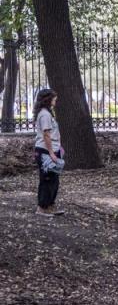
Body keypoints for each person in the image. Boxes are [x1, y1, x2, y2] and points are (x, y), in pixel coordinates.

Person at [33, 88, 64, 217]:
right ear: (48, 99)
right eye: (54, 98)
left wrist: (59, 148)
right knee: (47, 179)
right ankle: (42, 207)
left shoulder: (48, 113)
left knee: (53, 179)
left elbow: (53, 133)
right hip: (45, 151)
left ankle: (50, 205)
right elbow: (46, 135)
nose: (55, 100)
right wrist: (51, 152)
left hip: (52, 150)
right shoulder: (45, 114)